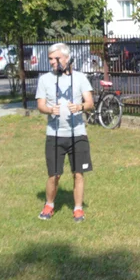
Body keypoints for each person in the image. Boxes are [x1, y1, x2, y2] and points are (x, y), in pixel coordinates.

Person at [36, 42, 95, 222]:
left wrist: (80, 106)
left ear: (67, 58)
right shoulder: (44, 79)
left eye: (56, 58)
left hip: (77, 135)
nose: (52, 62)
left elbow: (90, 103)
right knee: (54, 174)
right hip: (54, 135)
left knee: (78, 173)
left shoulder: (80, 78)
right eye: (50, 59)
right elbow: (40, 105)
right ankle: (49, 205)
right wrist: (48, 110)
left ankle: (78, 209)